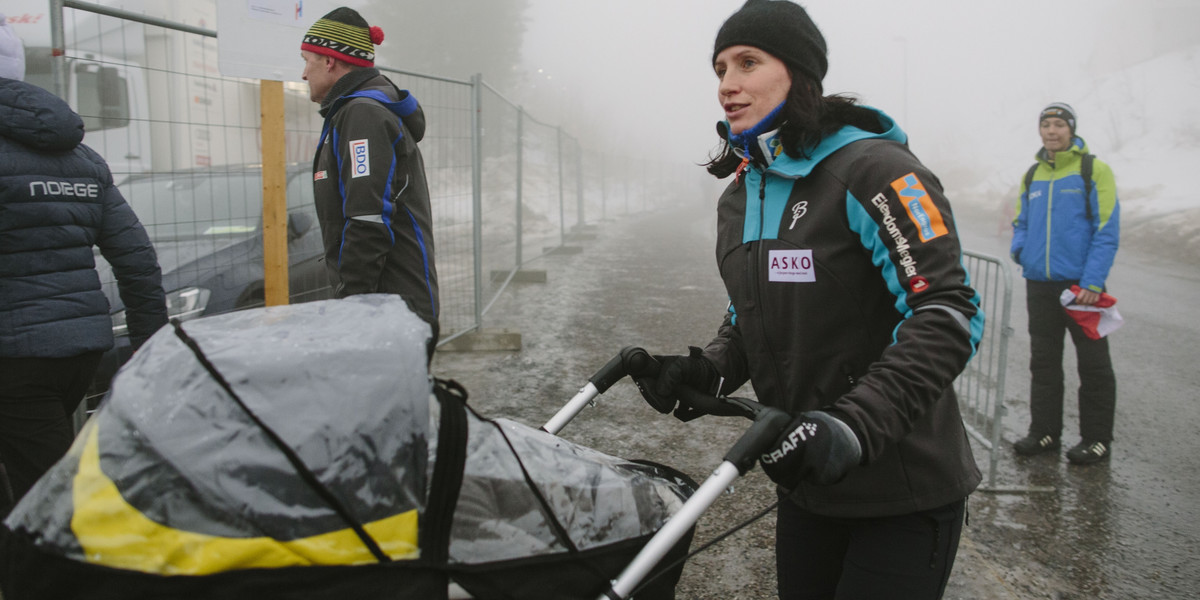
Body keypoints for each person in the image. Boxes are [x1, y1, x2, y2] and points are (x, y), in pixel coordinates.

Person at [635, 1, 985, 598]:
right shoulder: (742, 194)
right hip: (806, 480)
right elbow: (756, 311)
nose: (727, 85)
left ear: (797, 73)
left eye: (748, 62)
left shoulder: (877, 170)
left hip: (901, 488)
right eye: (719, 68)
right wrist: (711, 368)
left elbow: (947, 314)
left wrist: (853, 425)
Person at [0, 17, 167, 517]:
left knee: (45, 499)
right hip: (77, 353)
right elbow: (136, 258)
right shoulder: (82, 158)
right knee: (41, 475)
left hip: (15, 357)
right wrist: (149, 346)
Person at [300, 7, 440, 358]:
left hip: (390, 313)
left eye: (308, 61)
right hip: (388, 309)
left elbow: (368, 218)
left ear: (331, 61)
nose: (303, 74)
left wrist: (351, 307)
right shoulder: (355, 111)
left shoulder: (363, 115)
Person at [1010, 102, 1120, 465]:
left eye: (1059, 124)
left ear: (1071, 130)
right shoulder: (1033, 174)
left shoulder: (1093, 170)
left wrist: (1092, 280)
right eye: (1046, 125)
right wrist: (1021, 250)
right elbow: (1021, 220)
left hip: (1081, 287)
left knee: (1093, 365)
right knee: (1043, 362)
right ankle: (1044, 433)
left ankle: (1097, 440)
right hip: (1039, 284)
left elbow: (1107, 230)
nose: (1051, 131)